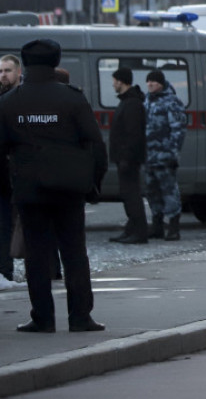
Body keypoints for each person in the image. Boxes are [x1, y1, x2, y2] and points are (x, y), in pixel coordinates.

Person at [0, 39, 106, 332]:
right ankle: (80, 317)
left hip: (29, 189)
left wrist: (9, 186)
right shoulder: (72, 99)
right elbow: (96, 146)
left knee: (35, 255)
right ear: (56, 61)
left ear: (25, 63)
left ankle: (42, 318)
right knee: (74, 253)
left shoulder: (9, 102)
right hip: (69, 189)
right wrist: (93, 185)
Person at [144, 70, 187, 241]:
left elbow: (178, 130)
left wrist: (171, 151)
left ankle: (174, 227)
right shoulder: (147, 101)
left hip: (164, 156)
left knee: (169, 192)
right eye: (148, 82)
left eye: (153, 82)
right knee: (152, 192)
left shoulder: (172, 102)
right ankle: (157, 226)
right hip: (149, 156)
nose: (150, 84)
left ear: (161, 83)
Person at [108, 68, 148, 244]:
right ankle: (131, 229)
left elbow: (133, 134)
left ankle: (139, 232)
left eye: (114, 80)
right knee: (128, 195)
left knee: (132, 195)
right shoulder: (128, 101)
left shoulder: (132, 104)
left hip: (129, 159)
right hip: (125, 157)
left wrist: (126, 157)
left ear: (121, 81)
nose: (112, 84)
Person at [1, 53, 22, 289]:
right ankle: (5, 271)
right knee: (4, 225)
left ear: (18, 73)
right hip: (4, 176)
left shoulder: (21, 99)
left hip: (22, 173)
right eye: (0, 71)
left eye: (7, 70)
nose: (3, 75)